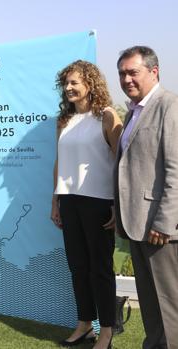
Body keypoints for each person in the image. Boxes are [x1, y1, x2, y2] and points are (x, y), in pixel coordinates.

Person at [51, 60, 122, 349]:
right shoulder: (63, 121)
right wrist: (55, 201)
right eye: (66, 83)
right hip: (69, 201)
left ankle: (106, 330)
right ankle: (85, 325)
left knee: (100, 269)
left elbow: (121, 163)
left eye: (74, 82)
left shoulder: (107, 116)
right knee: (78, 267)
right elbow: (59, 162)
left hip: (99, 202)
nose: (68, 87)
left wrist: (119, 204)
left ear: (90, 84)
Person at [114, 46, 178, 349]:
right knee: (151, 304)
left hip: (159, 229)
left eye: (133, 72)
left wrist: (165, 222)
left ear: (154, 72)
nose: (127, 79)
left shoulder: (170, 106)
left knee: (170, 307)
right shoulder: (133, 112)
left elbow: (175, 171)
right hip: (137, 224)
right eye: (122, 73)